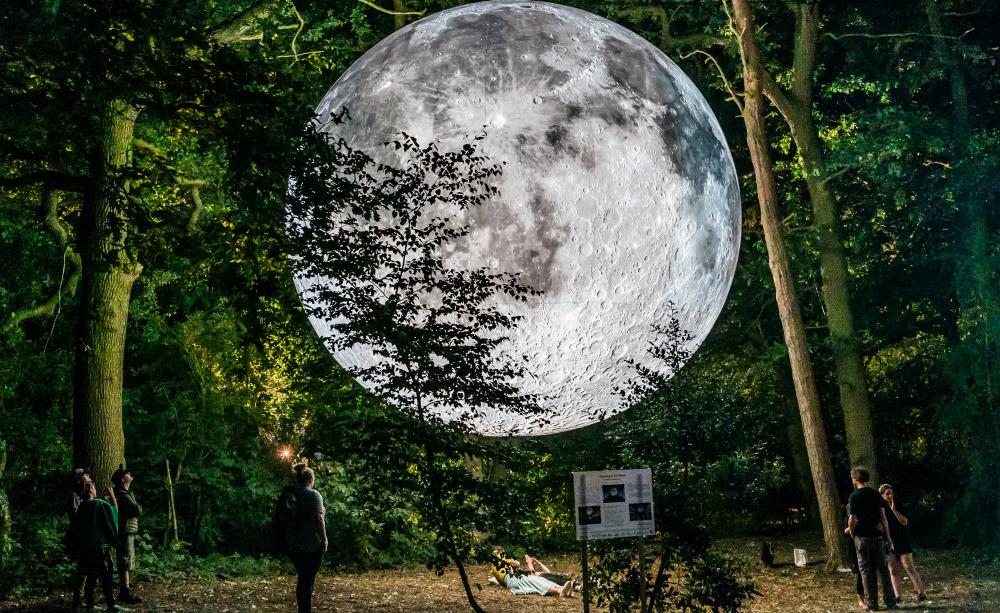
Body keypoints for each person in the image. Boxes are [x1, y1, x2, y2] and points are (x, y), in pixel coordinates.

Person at [275, 460, 328, 613]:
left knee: (303, 579)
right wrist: (324, 540)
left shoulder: (290, 494)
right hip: (311, 546)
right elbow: (319, 519)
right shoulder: (313, 495)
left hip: (292, 545)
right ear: (311, 479)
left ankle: (303, 610)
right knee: (307, 581)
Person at [69, 480, 123, 612]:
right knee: (106, 576)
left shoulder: (81, 507)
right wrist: (116, 543)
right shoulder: (100, 504)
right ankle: (110, 605)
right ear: (92, 490)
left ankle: (90, 603)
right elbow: (112, 520)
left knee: (90, 576)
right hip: (101, 548)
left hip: (86, 549)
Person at [847, 466, 896, 611]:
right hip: (878, 536)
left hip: (862, 537)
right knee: (883, 570)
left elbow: (852, 519)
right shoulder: (876, 495)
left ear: (855, 479)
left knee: (866, 571)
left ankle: (873, 603)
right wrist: (888, 537)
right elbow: (883, 518)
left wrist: (851, 532)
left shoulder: (854, 496)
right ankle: (890, 601)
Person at [879, 484, 927, 604]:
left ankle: (921, 592)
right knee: (893, 569)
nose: (890, 496)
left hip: (902, 539)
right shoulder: (880, 508)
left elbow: (905, 522)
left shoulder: (898, 505)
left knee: (908, 567)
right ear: (882, 495)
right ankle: (898, 596)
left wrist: (894, 510)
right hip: (889, 541)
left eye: (892, 493)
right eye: (887, 493)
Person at [112, 466, 143, 604]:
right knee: (125, 560)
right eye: (127, 473)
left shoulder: (126, 493)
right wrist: (137, 508)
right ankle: (125, 592)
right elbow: (137, 510)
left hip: (127, 530)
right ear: (123, 479)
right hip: (124, 530)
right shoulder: (122, 495)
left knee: (126, 559)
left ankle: (125, 591)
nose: (130, 474)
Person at [491, 547, 573, 598]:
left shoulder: (495, 566)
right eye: (503, 552)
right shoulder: (500, 558)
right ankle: (559, 591)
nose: (505, 553)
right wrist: (528, 561)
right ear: (499, 552)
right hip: (512, 578)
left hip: (514, 578)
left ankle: (562, 589)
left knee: (539, 580)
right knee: (536, 582)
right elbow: (517, 563)